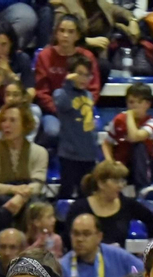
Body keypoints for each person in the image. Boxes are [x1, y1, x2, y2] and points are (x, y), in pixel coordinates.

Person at [0, 104, 47, 237]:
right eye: (3, 120)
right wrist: (14, 190)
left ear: (25, 124)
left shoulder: (40, 152)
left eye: (12, 120)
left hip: (27, 199)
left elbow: (37, 184)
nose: (6, 125)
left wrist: (20, 197)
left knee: (35, 212)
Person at [34, 16, 101, 147]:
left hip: (81, 109)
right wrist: (59, 110)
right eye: (62, 30)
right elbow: (42, 91)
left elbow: (93, 89)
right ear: (56, 33)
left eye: (70, 32)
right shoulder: (45, 56)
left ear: (77, 35)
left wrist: (78, 109)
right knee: (52, 131)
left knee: (91, 130)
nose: (65, 35)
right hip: (53, 111)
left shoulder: (87, 57)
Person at [65, 161, 153, 246]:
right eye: (116, 181)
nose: (121, 186)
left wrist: (150, 246)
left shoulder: (128, 204)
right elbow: (67, 237)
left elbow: (151, 220)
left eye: (122, 181)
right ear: (101, 183)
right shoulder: (79, 207)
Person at [60, 213, 139, 277]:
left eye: (86, 234)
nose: (80, 239)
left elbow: (144, 275)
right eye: (76, 234)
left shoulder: (119, 257)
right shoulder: (62, 267)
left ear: (99, 237)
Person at [51, 55, 98, 199]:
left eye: (87, 75)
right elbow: (61, 103)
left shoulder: (89, 95)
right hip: (70, 154)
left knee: (87, 194)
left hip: (88, 154)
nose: (83, 78)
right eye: (79, 74)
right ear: (70, 74)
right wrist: (67, 84)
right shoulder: (61, 93)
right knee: (67, 192)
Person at [100, 83, 153, 193]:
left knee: (139, 145)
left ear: (147, 104)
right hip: (123, 165)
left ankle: (143, 187)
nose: (134, 106)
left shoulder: (152, 122)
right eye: (131, 102)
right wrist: (110, 162)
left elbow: (134, 137)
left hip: (146, 166)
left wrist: (130, 117)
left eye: (139, 102)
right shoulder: (118, 120)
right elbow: (107, 143)